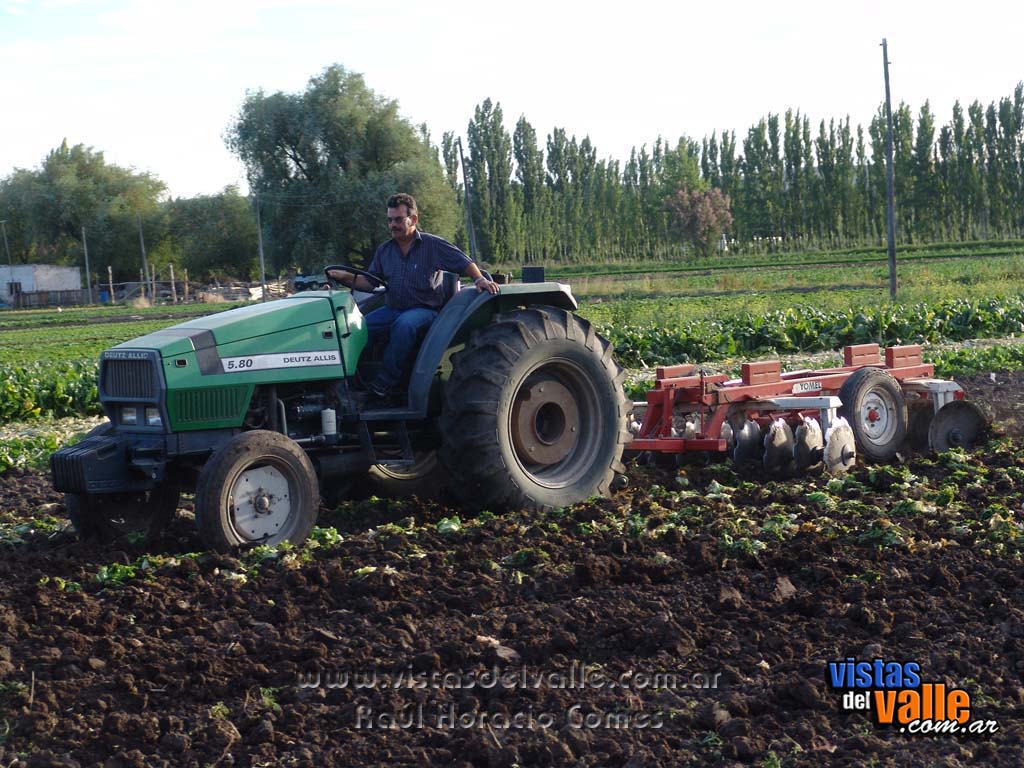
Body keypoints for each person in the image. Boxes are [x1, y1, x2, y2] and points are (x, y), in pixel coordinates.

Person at [327, 192, 499, 403]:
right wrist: (342, 276)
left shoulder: (432, 245)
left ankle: (384, 384)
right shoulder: (385, 251)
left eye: (398, 219)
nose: (393, 225)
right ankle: (350, 382)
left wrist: (479, 279)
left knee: (404, 325)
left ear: (413, 219)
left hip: (425, 310)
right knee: (356, 329)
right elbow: (369, 283)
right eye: (390, 220)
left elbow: (463, 262)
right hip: (393, 308)